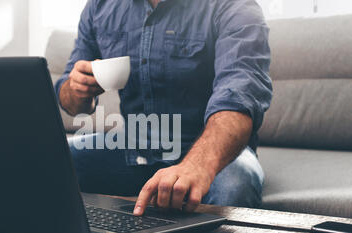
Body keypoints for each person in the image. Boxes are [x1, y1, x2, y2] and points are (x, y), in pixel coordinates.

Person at [55, 0, 273, 216]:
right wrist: (76, 89)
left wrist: (196, 166)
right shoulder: (100, 6)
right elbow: (71, 103)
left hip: (207, 150)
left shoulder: (233, 6)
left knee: (234, 184)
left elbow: (238, 99)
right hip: (133, 147)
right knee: (49, 162)